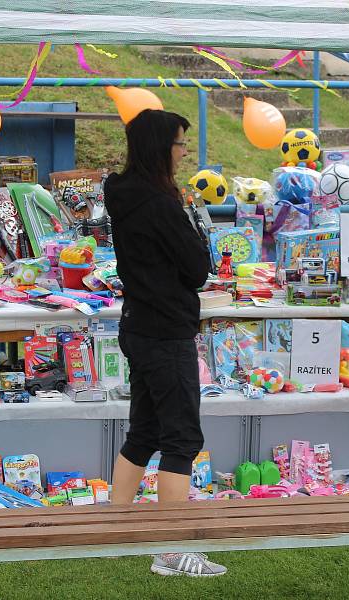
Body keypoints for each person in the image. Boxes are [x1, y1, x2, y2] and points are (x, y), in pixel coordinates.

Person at [104, 109, 226, 577]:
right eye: (178, 144)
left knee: (146, 430)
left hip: (139, 324)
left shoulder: (128, 195)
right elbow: (197, 268)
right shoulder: (159, 203)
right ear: (161, 149)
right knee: (181, 437)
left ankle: (116, 529)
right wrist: (190, 222)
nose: (182, 153)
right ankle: (172, 549)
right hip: (164, 330)